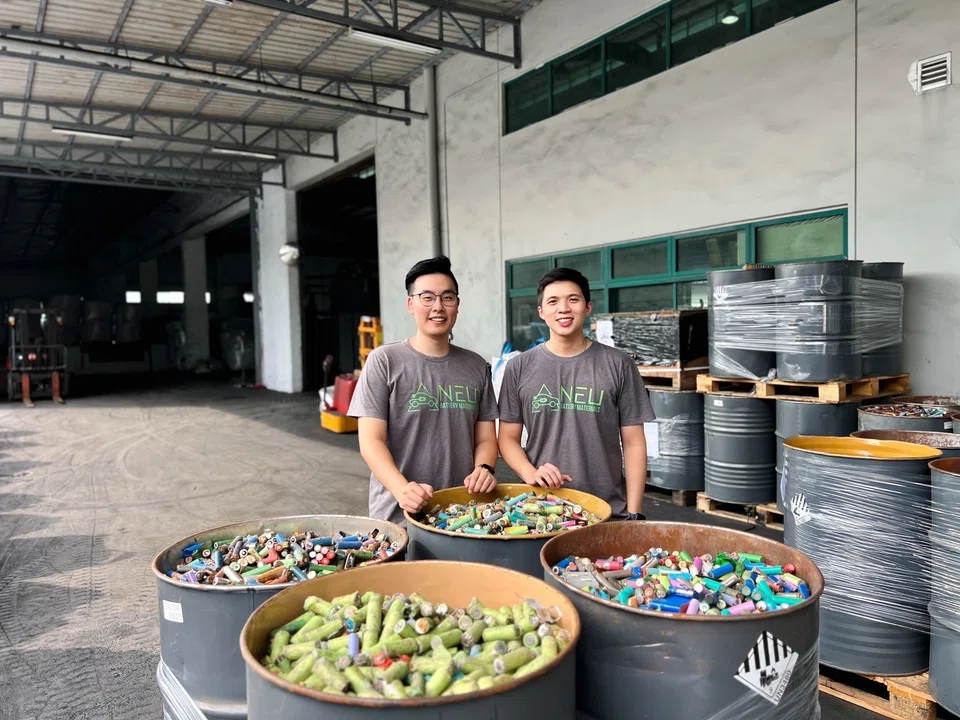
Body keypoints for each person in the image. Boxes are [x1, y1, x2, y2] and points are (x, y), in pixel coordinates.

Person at [348, 256, 499, 526]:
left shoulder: (476, 365)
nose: (438, 307)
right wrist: (401, 490)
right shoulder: (384, 361)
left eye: (447, 298)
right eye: (427, 298)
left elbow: (486, 439)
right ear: (411, 304)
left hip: (462, 515)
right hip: (399, 515)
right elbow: (371, 441)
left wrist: (484, 468)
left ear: (457, 304)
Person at [497, 267, 655, 520]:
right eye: (553, 301)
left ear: (588, 307)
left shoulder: (619, 363)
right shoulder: (519, 367)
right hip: (542, 510)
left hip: (607, 509)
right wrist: (530, 472)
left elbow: (634, 442)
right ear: (541, 312)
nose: (564, 308)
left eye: (573, 299)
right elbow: (507, 438)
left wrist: (634, 514)